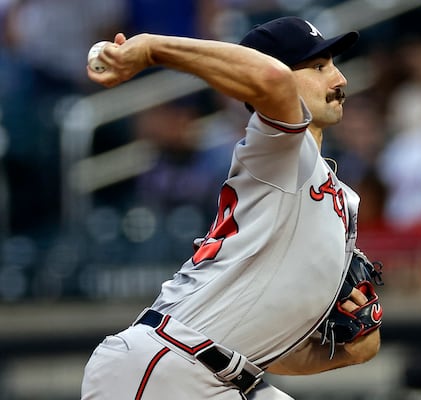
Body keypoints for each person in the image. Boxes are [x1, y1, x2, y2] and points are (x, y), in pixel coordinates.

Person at [81, 16, 381, 399]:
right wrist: (152, 48)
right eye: (319, 66)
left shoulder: (333, 192)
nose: (339, 79)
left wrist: (344, 351)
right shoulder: (280, 150)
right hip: (168, 364)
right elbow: (271, 81)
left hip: (225, 375)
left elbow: (270, 352)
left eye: (334, 64)